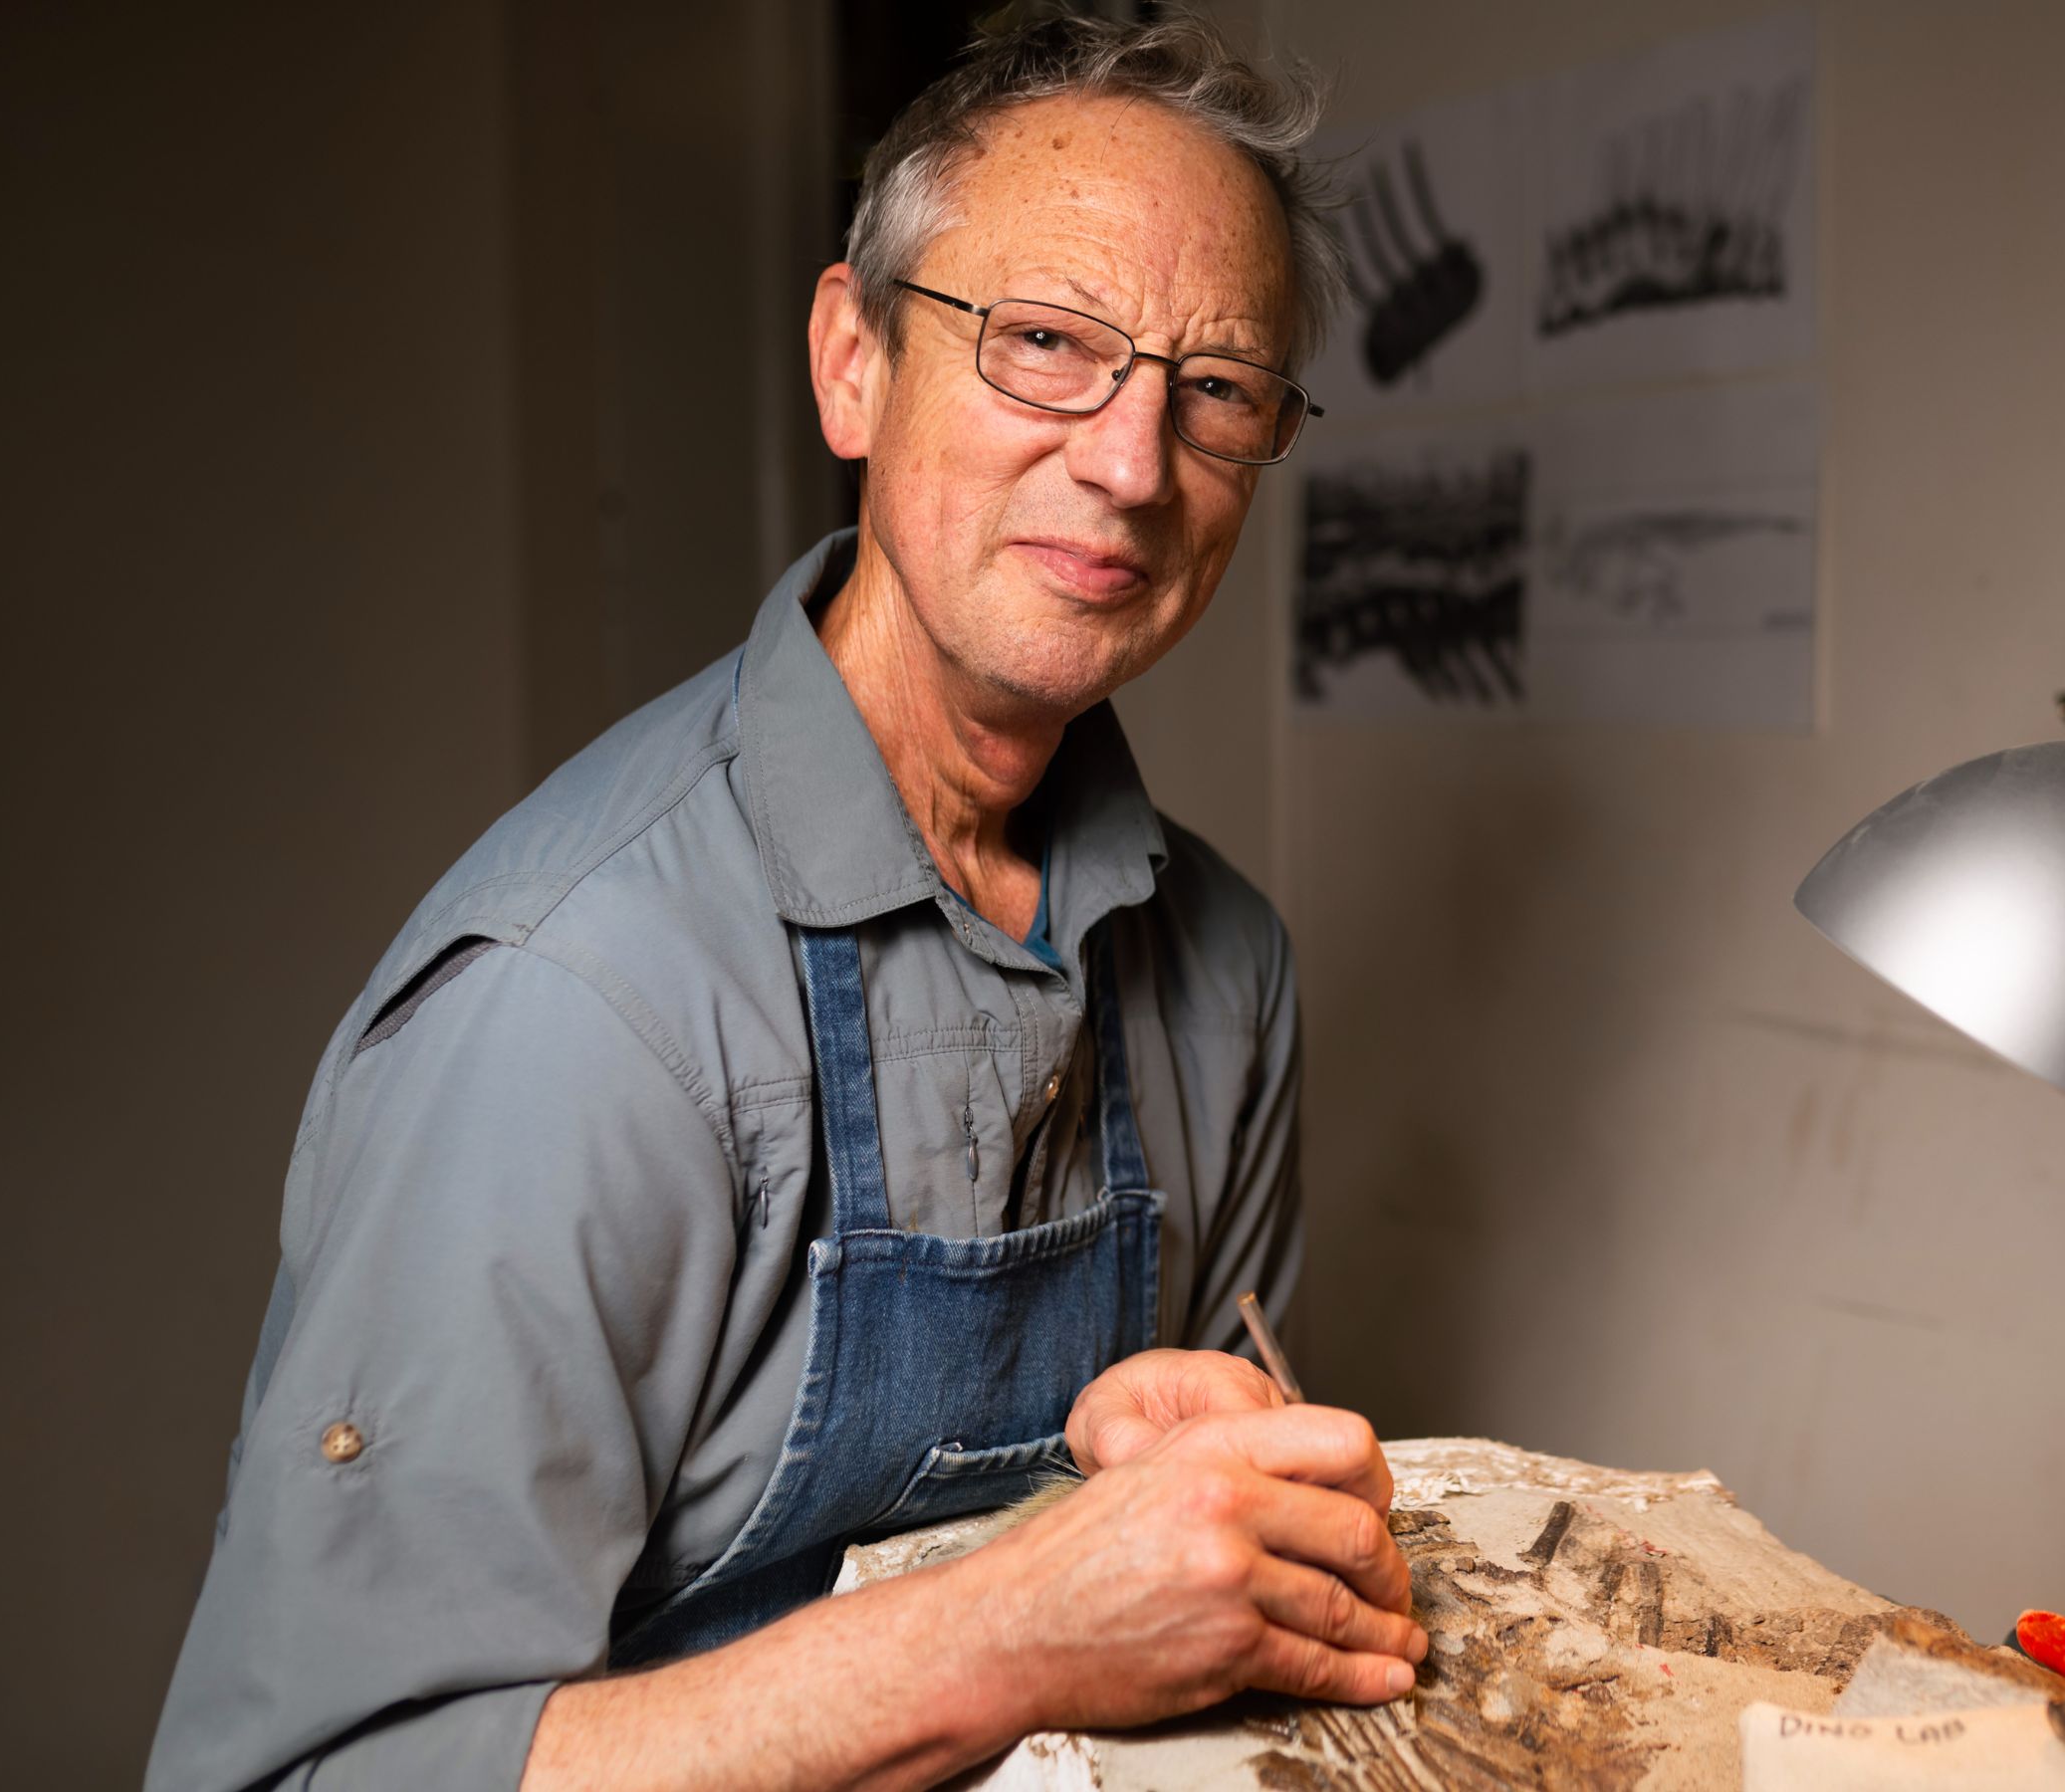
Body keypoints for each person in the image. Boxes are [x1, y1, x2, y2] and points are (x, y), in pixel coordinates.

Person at [145, 15, 1423, 1791]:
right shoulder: (575, 1004)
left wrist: (1148, 1475)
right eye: (1045, 344)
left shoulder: (1223, 969)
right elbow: (308, 1776)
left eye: (1214, 389)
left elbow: (1199, 1621)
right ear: (852, 364)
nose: (1132, 464)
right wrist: (1002, 1629)